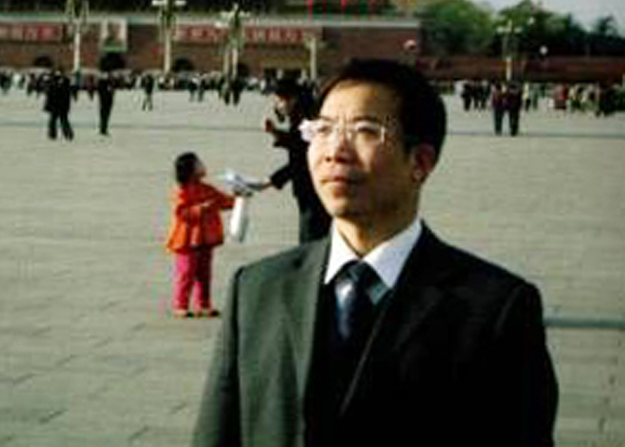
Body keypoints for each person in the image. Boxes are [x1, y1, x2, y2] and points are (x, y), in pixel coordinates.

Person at [193, 59, 558, 447]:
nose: (334, 151)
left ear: (420, 162)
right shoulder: (257, 289)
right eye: (323, 129)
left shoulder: (494, 310)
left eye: (365, 130)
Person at [165, 152, 236, 318]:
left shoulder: (208, 189)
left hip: (205, 239)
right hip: (186, 240)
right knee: (186, 272)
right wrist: (201, 208)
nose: (203, 166)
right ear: (190, 171)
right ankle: (181, 304)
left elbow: (224, 201)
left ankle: (204, 304)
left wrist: (239, 196)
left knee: (205, 273)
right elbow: (181, 212)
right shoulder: (182, 191)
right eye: (199, 164)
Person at [260, 77, 331, 243]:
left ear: (292, 99)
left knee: (311, 238)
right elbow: (297, 143)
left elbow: (303, 159)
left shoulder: (308, 119)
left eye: (279, 101)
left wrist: (271, 181)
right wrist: (275, 132)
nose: (277, 106)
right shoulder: (301, 115)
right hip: (308, 188)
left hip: (313, 189)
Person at [43, 70, 74, 140]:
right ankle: (64, 134)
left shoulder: (55, 84)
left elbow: (49, 95)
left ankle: (64, 134)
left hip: (58, 105)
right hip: (59, 105)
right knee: (60, 120)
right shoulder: (62, 83)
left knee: (58, 121)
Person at [97, 72, 116, 136]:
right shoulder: (107, 83)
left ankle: (103, 128)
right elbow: (109, 92)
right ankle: (103, 129)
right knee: (105, 115)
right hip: (106, 101)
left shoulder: (104, 83)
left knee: (104, 115)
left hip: (105, 101)